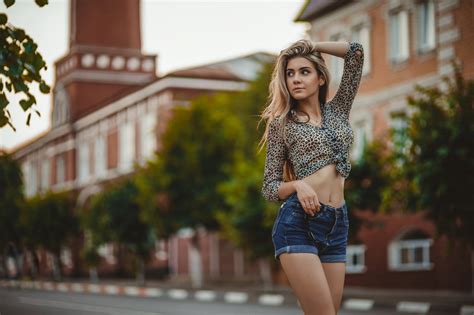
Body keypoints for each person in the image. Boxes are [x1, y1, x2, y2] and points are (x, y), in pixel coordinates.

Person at [259, 39, 364, 315]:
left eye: (304, 71)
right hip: (298, 223)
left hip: (337, 223)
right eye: (289, 73)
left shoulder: (339, 109)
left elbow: (356, 53)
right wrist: (297, 185)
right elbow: (269, 187)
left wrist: (311, 44)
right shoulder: (282, 125)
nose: (295, 79)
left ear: (320, 78)